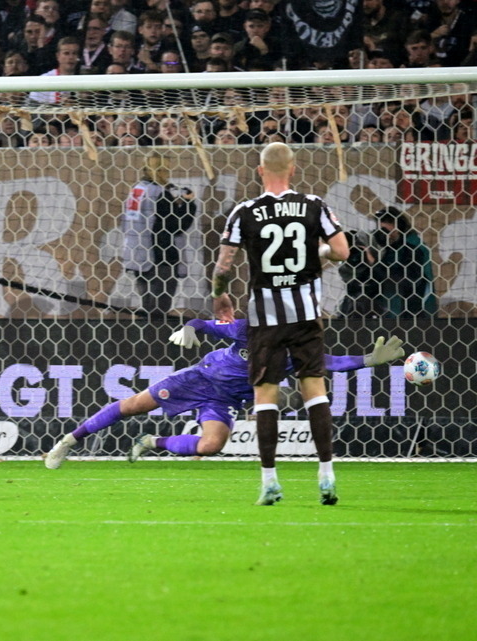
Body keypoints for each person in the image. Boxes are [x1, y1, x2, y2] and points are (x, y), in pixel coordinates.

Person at [45, 320, 404, 468]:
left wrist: (370, 359)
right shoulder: (250, 329)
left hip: (226, 400)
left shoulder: (297, 355)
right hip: (199, 379)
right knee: (134, 404)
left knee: (211, 445)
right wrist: (188, 327)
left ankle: (152, 442)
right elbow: (204, 324)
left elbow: (336, 362)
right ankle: (70, 440)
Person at [211, 142, 349, 506]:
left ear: (260, 171)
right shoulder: (313, 206)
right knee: (314, 389)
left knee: (265, 395)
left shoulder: (245, 211)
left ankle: (270, 481)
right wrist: (316, 253)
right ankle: (326, 476)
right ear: (293, 169)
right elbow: (342, 251)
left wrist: (220, 295)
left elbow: (224, 267)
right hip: (305, 314)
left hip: (265, 318)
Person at [121, 153, 198, 317]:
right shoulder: (159, 194)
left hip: (138, 255)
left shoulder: (137, 189)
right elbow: (176, 226)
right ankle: (157, 341)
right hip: (159, 255)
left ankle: (146, 340)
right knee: (159, 310)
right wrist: (188, 203)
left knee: (147, 305)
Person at [373, 206, 438, 317]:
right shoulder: (389, 247)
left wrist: (374, 264)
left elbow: (407, 280)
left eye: (384, 229)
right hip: (392, 312)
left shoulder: (413, 247)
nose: (382, 235)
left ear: (397, 226)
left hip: (412, 313)